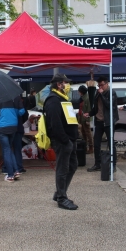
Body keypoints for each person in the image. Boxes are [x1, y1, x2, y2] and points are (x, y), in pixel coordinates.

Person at [43, 73, 79, 210]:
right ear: (59, 84)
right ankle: (61, 198)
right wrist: (65, 140)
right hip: (63, 141)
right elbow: (55, 124)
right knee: (62, 169)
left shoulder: (62, 98)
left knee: (72, 166)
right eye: (65, 83)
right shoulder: (53, 101)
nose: (68, 85)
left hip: (69, 140)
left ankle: (60, 192)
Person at [84, 76, 119, 173]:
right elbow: (96, 108)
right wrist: (89, 113)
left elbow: (109, 105)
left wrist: (102, 94)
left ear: (107, 84)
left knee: (111, 143)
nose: (100, 87)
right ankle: (97, 164)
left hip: (108, 121)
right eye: (99, 85)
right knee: (96, 143)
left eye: (102, 85)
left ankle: (113, 164)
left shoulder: (111, 92)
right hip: (99, 121)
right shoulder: (97, 93)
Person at [0, 96, 25, 182]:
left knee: (6, 150)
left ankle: (10, 175)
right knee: (9, 149)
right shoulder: (16, 98)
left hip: (2, 127)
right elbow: (22, 111)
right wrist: (13, 114)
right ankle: (16, 170)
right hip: (13, 126)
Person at [77, 85, 94, 154]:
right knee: (83, 133)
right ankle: (85, 146)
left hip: (85, 118)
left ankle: (91, 147)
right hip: (81, 117)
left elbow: (89, 109)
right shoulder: (82, 98)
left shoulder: (87, 99)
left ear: (81, 92)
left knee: (88, 133)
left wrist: (88, 120)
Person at [12, 96, 27, 175]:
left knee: (7, 149)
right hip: (18, 126)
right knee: (17, 148)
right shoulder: (18, 99)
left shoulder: (2, 98)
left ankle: (6, 167)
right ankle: (19, 167)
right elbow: (23, 113)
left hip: (5, 127)